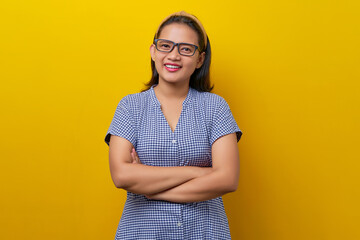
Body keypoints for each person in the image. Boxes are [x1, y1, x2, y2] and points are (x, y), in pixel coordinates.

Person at [105, 11, 243, 240]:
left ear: (200, 59)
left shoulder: (216, 107)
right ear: (153, 51)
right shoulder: (130, 106)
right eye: (166, 46)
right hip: (143, 233)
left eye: (186, 49)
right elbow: (121, 175)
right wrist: (200, 172)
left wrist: (152, 190)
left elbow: (228, 179)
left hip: (204, 232)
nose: (174, 56)